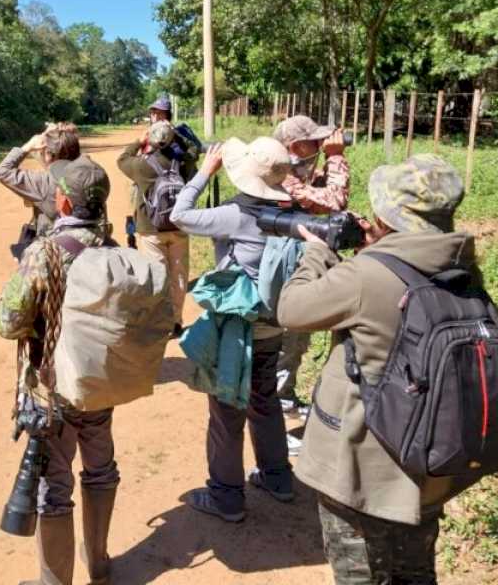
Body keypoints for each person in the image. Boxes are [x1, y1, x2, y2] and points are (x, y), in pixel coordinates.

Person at [277, 154, 473, 585]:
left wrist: (316, 253)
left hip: (363, 469)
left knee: (362, 574)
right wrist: (381, 248)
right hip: (432, 457)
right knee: (416, 572)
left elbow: (291, 309)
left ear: (387, 214)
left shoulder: (367, 276)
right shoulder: (463, 268)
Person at [0, 156, 118, 585]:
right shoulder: (116, 250)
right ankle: (99, 562)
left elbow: (8, 324)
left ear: (63, 203)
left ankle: (55, 581)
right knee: (101, 466)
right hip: (101, 383)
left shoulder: (44, 252)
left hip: (54, 388)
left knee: (54, 485)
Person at [169, 137, 295, 522]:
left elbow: (180, 214)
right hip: (274, 325)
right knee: (265, 400)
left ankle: (226, 496)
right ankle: (278, 479)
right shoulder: (290, 212)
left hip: (238, 331)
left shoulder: (235, 215)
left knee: (226, 411)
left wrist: (205, 173)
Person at [272, 115, 351, 421]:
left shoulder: (294, 172)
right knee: (286, 344)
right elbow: (334, 201)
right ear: (294, 146)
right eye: (314, 142)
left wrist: (332, 163)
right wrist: (336, 158)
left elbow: (328, 193)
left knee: (294, 342)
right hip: (285, 276)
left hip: (293, 270)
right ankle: (277, 411)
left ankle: (284, 398)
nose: (320, 146)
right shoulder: (281, 178)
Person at [117, 119, 192, 334]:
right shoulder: (183, 163)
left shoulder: (142, 166)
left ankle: (160, 321)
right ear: (171, 140)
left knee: (158, 275)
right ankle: (176, 320)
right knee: (179, 275)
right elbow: (193, 151)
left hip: (151, 228)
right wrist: (178, 137)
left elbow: (122, 160)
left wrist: (139, 142)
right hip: (179, 226)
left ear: (151, 139)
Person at [0, 123, 81, 248]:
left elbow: (2, 171)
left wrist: (29, 146)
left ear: (48, 154)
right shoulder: (89, 174)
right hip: (87, 248)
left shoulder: (43, 183)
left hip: (54, 249)